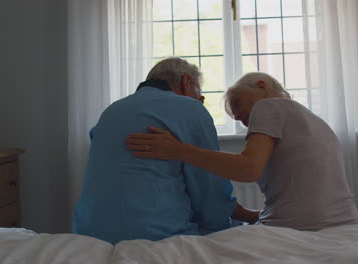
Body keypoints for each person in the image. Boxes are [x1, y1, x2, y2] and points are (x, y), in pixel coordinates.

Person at [127, 72, 358, 231]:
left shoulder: (268, 106)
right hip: (347, 225)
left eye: (237, 104)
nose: (238, 118)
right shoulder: (317, 122)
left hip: (298, 227)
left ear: (261, 86)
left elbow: (248, 169)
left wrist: (176, 149)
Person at [73, 57, 257, 244]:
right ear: (186, 81)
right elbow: (210, 195)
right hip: (155, 236)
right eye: (199, 95)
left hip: (91, 236)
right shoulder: (190, 109)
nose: (200, 101)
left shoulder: (110, 112)